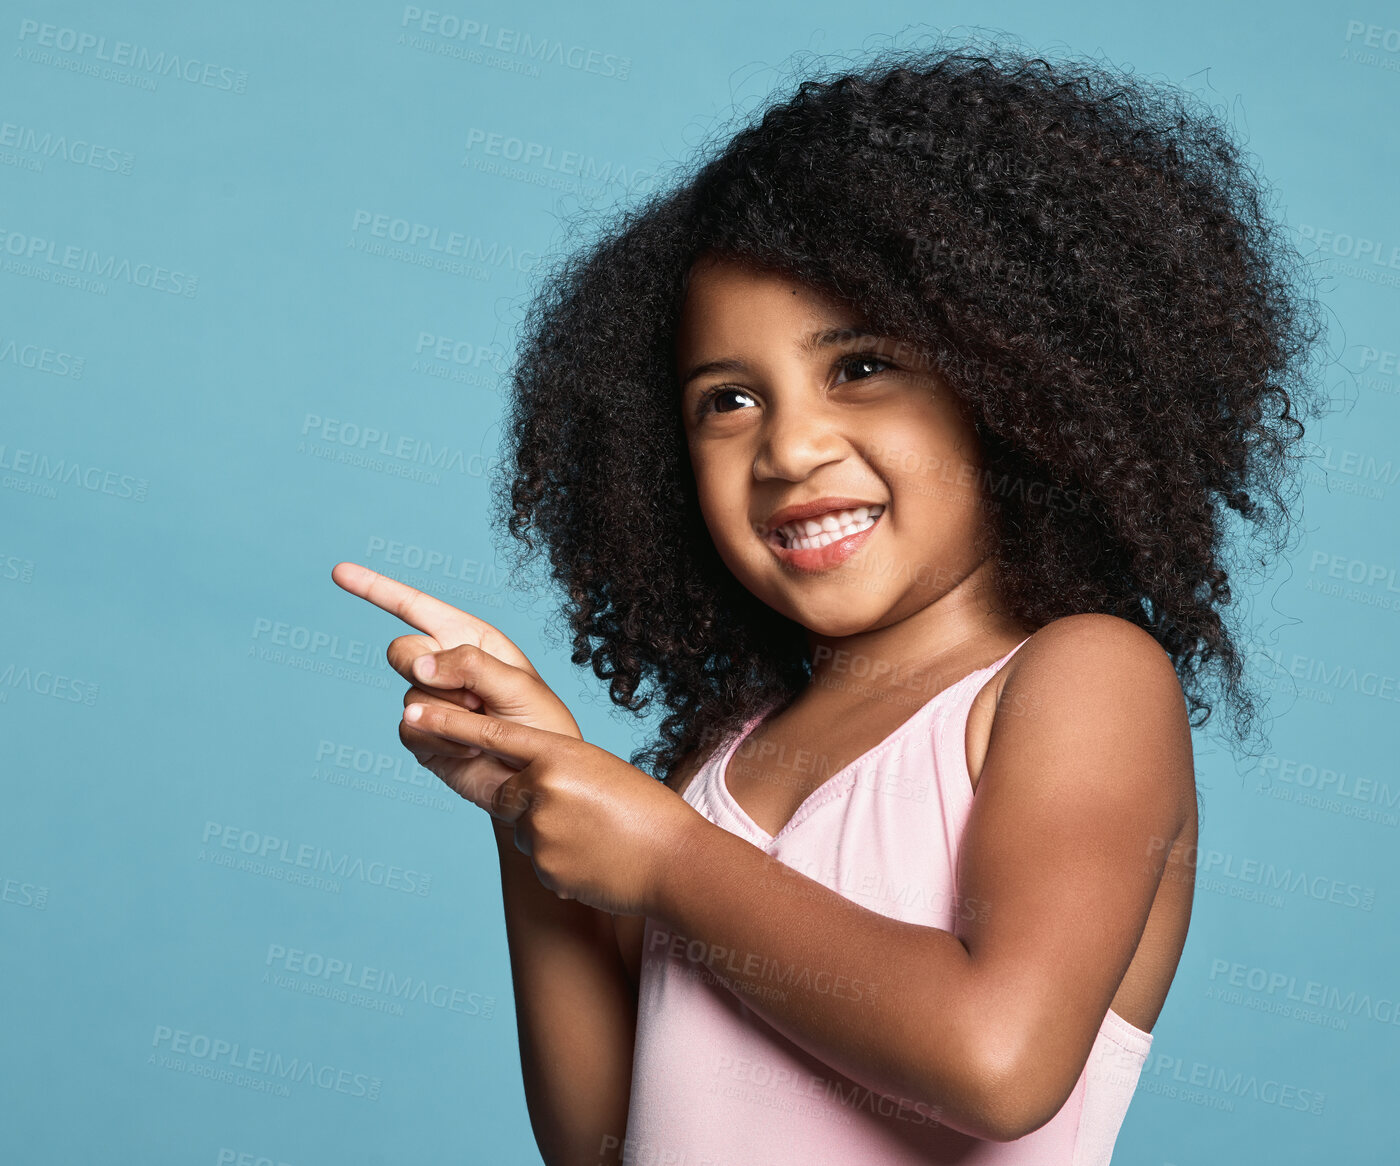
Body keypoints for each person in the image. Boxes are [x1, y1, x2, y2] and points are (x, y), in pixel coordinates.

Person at [334, 41, 1325, 1166]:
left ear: (1009, 380)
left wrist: (663, 859)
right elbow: (599, 1136)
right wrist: (534, 813)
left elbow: (998, 1060)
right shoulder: (729, 754)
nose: (789, 445)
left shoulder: (1081, 680)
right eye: (728, 398)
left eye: (857, 366)